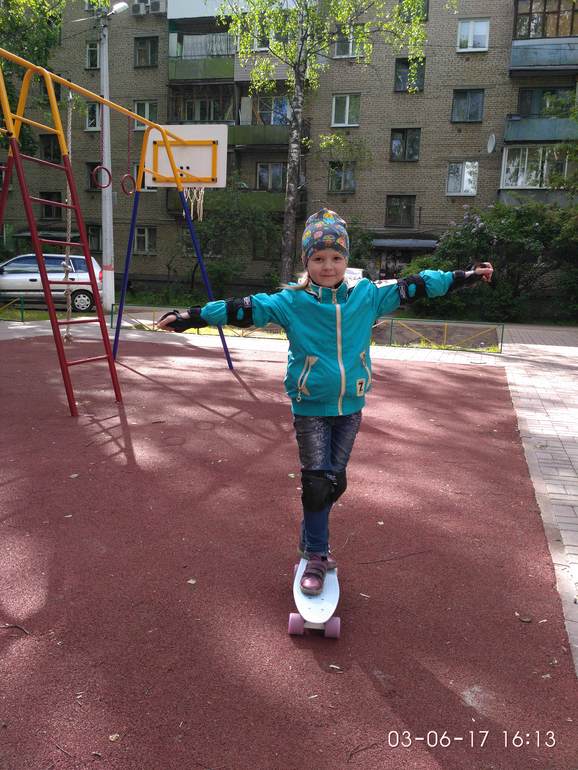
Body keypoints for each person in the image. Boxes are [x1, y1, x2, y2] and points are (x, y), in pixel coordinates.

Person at [158, 209, 493, 596]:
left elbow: (418, 285)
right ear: (307, 262)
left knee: (335, 482)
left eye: (336, 257)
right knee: (317, 483)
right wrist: (191, 316)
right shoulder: (291, 302)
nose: (328, 266)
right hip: (310, 408)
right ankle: (317, 554)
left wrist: (466, 276)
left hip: (350, 407)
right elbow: (242, 308)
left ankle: (309, 535)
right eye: (318, 258)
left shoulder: (367, 296)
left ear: (346, 259)